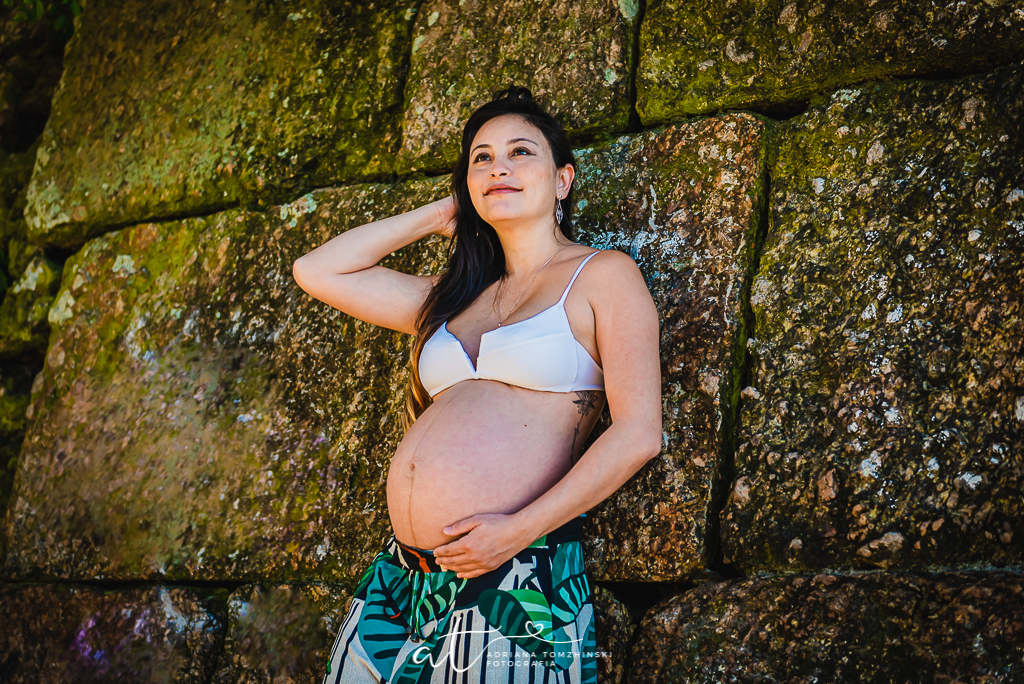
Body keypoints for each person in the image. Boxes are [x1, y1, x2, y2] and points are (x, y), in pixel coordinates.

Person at [293, 85, 661, 684]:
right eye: (481, 159)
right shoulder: (453, 298)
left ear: (562, 180)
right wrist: (444, 214)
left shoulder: (603, 277)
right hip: (401, 578)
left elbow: (640, 434)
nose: (499, 168)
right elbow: (317, 270)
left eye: (521, 152)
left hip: (514, 570)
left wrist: (514, 532)